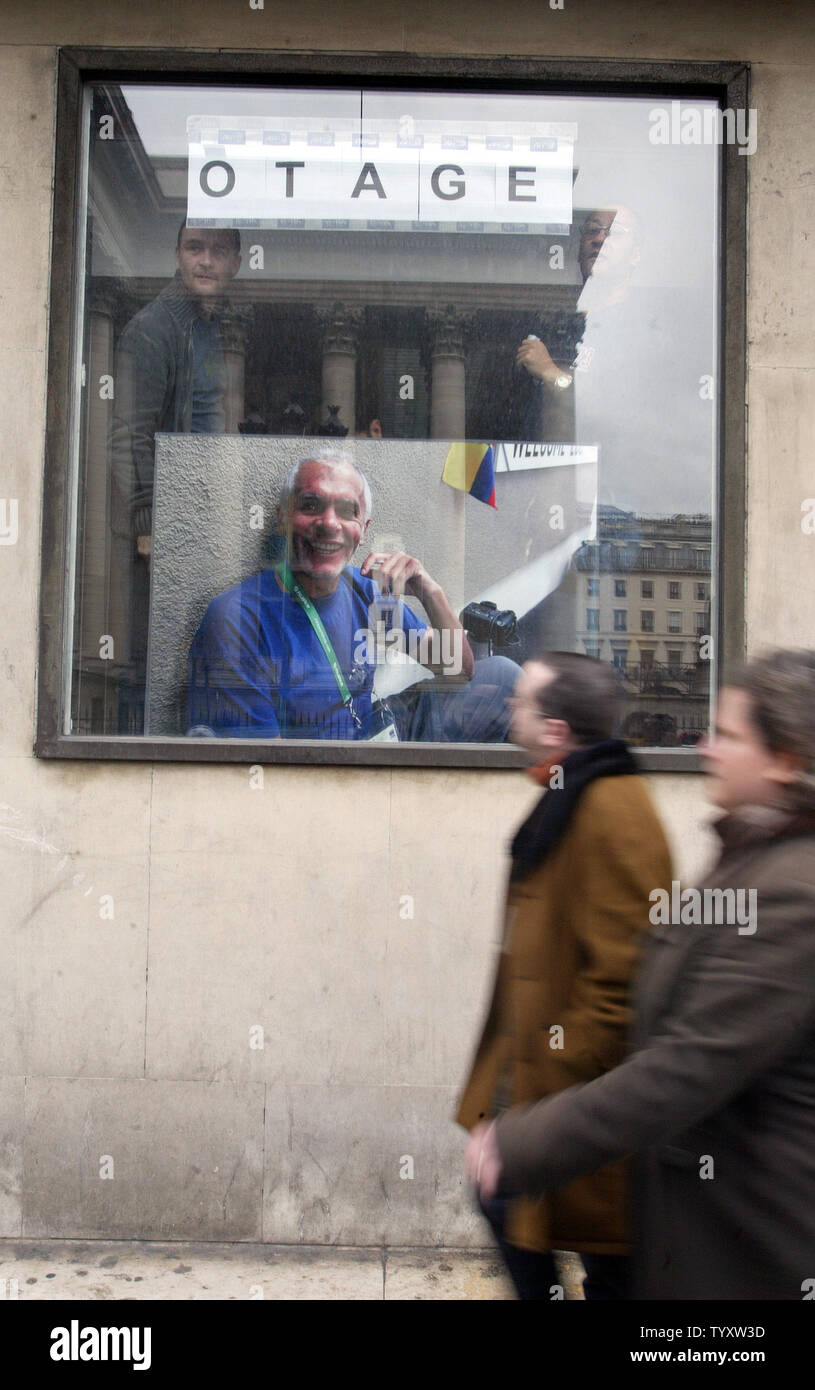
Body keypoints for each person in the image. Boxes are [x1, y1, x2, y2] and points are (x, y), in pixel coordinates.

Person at [466, 648, 815, 1300]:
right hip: (678, 1198)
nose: (705, 748)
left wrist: (532, 1124)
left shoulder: (789, 888)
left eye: (730, 736)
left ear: (785, 760)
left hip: (751, 1238)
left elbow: (679, 1052)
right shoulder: (742, 851)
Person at [456, 652, 673, 1299]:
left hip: (580, 1104)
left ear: (555, 729)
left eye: (520, 700)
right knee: (532, 1223)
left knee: (587, 1251)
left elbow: (621, 981)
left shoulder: (610, 809)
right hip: (552, 1096)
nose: (506, 709)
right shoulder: (567, 792)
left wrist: (546, 1097)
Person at [187, 449, 518, 742]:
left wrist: (429, 590)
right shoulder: (237, 618)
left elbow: (458, 670)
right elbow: (271, 774)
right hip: (318, 776)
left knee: (503, 676)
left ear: (363, 529)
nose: (329, 523)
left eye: (348, 511)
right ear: (281, 519)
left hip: (370, 734)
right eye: (310, 505)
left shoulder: (368, 594)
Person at [111, 220, 243, 560]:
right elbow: (128, 437)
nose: (206, 261)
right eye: (195, 248)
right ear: (177, 256)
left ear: (235, 264)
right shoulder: (152, 329)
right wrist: (148, 523)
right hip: (165, 529)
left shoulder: (209, 328)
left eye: (219, 251)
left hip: (201, 517)